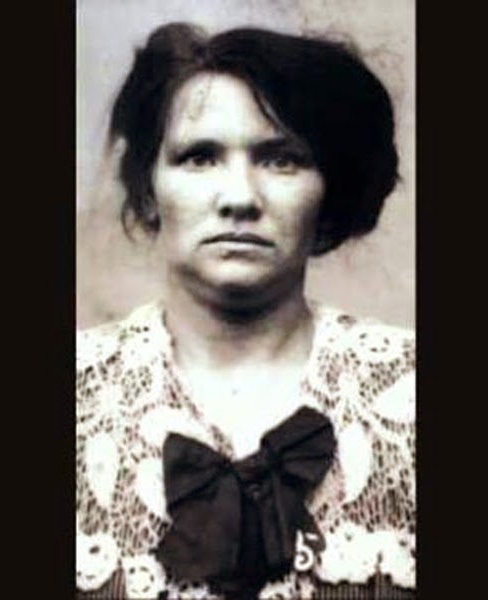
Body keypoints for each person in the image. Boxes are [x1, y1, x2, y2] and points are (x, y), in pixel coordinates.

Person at [76, 22, 415, 599]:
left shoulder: (407, 396)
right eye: (199, 157)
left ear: (329, 194)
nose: (239, 198)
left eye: (282, 159)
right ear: (149, 191)